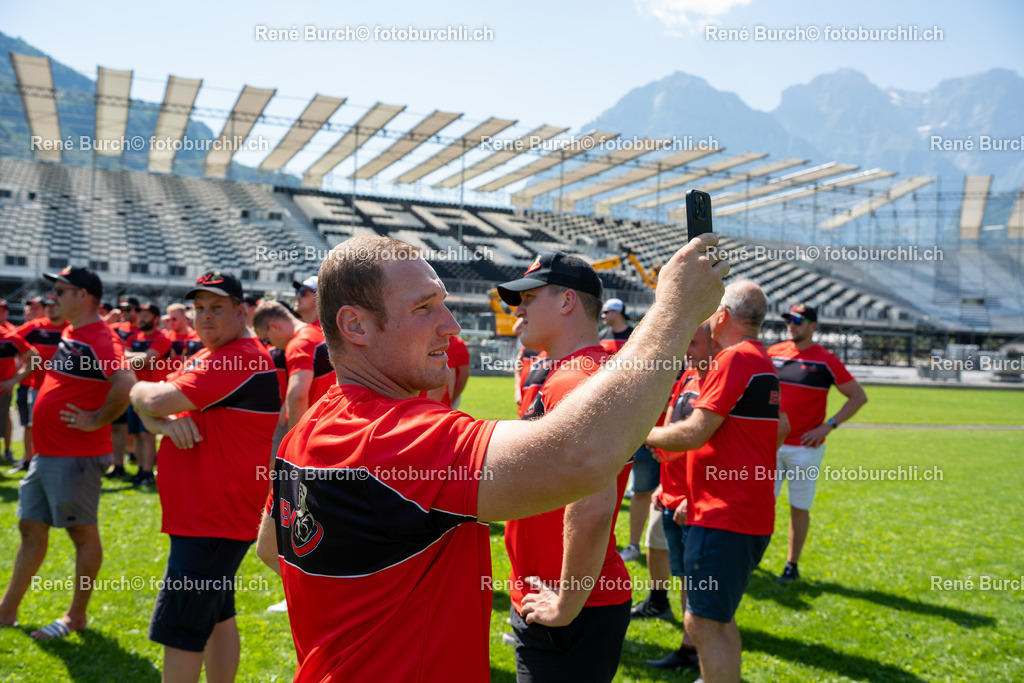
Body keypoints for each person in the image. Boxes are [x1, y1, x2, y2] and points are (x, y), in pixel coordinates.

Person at [254, 234, 729, 681]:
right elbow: (578, 458)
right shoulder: (397, 437)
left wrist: (375, 597)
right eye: (424, 308)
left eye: (443, 303)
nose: (451, 325)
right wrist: (674, 309)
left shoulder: (310, 426)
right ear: (355, 325)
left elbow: (272, 549)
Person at [129, 270, 279, 683]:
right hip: (211, 515)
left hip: (212, 515)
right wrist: (160, 422)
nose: (205, 317)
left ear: (241, 311)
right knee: (216, 615)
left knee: (181, 631)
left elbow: (152, 396)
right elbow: (159, 408)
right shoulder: (209, 355)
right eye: (198, 308)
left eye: (217, 308)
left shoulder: (239, 356)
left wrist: (143, 398)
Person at [498, 253, 633, 682]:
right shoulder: (574, 374)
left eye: (530, 297)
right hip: (563, 595)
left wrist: (566, 604)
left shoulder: (579, 380)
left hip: (573, 604)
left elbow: (592, 506)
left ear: (567, 301)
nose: (518, 311)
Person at [646, 280, 784, 683]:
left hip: (724, 512)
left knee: (704, 622)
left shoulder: (734, 359)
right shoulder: (758, 357)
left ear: (722, 315)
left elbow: (693, 433)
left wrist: (639, 435)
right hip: (738, 510)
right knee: (715, 619)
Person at [0, 266, 134, 640]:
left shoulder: (100, 337)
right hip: (47, 453)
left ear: (84, 296)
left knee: (81, 534)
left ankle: (76, 617)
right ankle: (6, 610)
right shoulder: (73, 331)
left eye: (61, 290)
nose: (53, 297)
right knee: (30, 529)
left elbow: (124, 382)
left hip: (76, 456)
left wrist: (96, 419)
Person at [769, 303, 867, 583]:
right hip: (770, 445)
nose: (792, 325)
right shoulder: (773, 353)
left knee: (799, 507)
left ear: (813, 326)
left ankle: (792, 564)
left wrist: (828, 426)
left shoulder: (826, 359)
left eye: (798, 321)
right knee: (762, 504)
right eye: (789, 320)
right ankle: (752, 558)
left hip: (805, 449)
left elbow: (858, 396)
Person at [642, 321, 716, 670]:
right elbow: (672, 429)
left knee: (697, 579)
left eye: (694, 343)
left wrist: (693, 493)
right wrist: (664, 482)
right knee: (685, 574)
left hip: (694, 498)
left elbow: (711, 444)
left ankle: (698, 653)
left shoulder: (719, 381)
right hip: (671, 492)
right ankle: (691, 648)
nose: (687, 349)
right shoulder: (687, 375)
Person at [599, 298, 657, 564]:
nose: (602, 314)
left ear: (619, 312)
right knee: (601, 487)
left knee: (643, 490)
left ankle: (634, 544)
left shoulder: (638, 339)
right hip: (608, 425)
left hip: (639, 424)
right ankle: (600, 543)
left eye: (607, 311)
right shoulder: (600, 338)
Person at [253, 300, 335, 430]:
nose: (271, 344)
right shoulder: (317, 333)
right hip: (329, 419)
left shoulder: (298, 344)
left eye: (267, 339)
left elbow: (297, 395)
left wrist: (295, 438)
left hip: (314, 426)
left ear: (274, 326)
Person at [9, 299, 68, 472]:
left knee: (60, 426)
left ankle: (56, 461)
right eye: (48, 306)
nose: (51, 309)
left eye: (54, 305)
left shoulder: (69, 328)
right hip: (36, 386)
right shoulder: (35, 326)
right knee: (30, 425)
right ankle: (29, 461)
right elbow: (11, 339)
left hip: (62, 388)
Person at [123, 303, 173, 485]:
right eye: (141, 315)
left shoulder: (162, 338)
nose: (142, 318)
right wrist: (141, 356)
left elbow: (144, 361)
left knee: (147, 434)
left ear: (155, 318)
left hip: (153, 392)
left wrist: (137, 357)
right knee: (136, 432)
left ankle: (147, 472)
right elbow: (125, 357)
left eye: (146, 315)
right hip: (133, 391)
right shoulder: (134, 337)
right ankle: (140, 469)